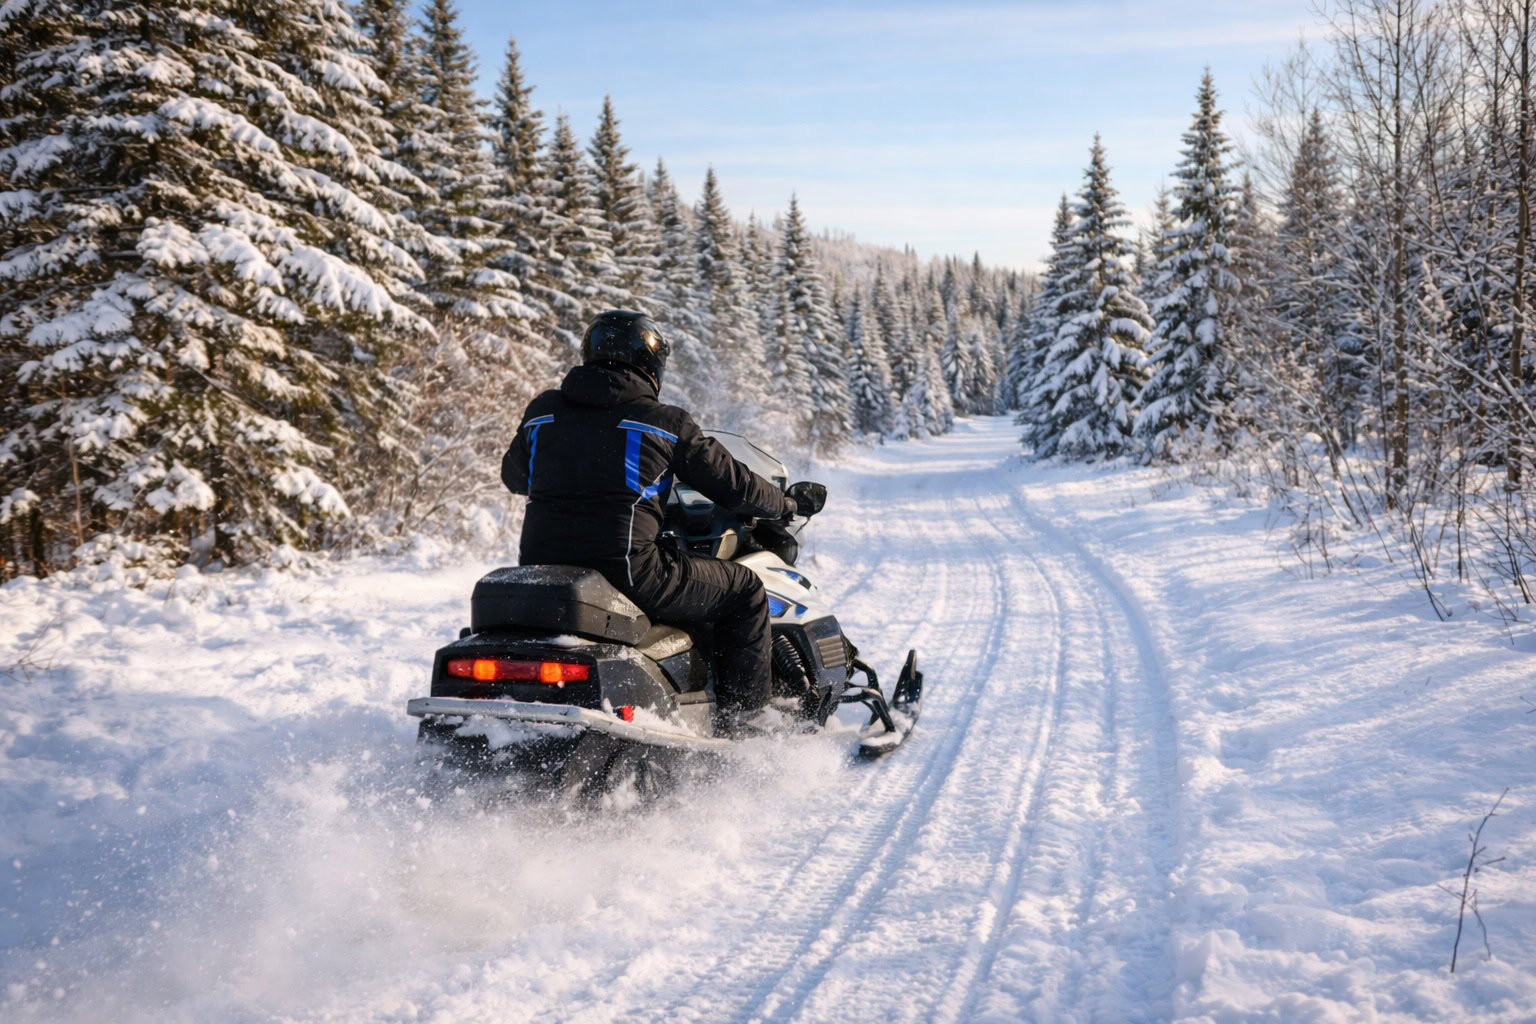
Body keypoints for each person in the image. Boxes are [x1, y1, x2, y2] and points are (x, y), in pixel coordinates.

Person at [501, 310, 814, 727]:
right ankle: (746, 725)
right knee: (746, 591)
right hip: (629, 573)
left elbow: (515, 476)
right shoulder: (664, 423)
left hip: (543, 572)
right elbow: (735, 485)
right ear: (650, 365)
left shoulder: (542, 411)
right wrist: (784, 504)